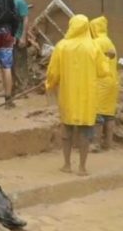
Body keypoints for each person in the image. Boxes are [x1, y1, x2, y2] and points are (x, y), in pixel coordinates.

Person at [45, 14, 109, 176]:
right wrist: (107, 60)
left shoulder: (62, 46)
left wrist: (50, 85)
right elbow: (103, 72)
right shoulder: (94, 47)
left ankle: (67, 164)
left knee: (66, 128)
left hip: (68, 96)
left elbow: (53, 72)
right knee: (85, 132)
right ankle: (82, 167)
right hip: (87, 97)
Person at [90, 16, 119, 151]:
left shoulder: (97, 42)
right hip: (113, 81)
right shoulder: (110, 42)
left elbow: (92, 61)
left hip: (101, 82)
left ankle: (95, 143)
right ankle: (108, 143)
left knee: (97, 112)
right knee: (109, 113)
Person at [4, 0, 30, 103]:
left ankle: (23, 90)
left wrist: (23, 36)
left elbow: (25, 20)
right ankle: (12, 89)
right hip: (8, 39)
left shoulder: (20, 2)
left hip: (18, 38)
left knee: (20, 65)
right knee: (10, 66)